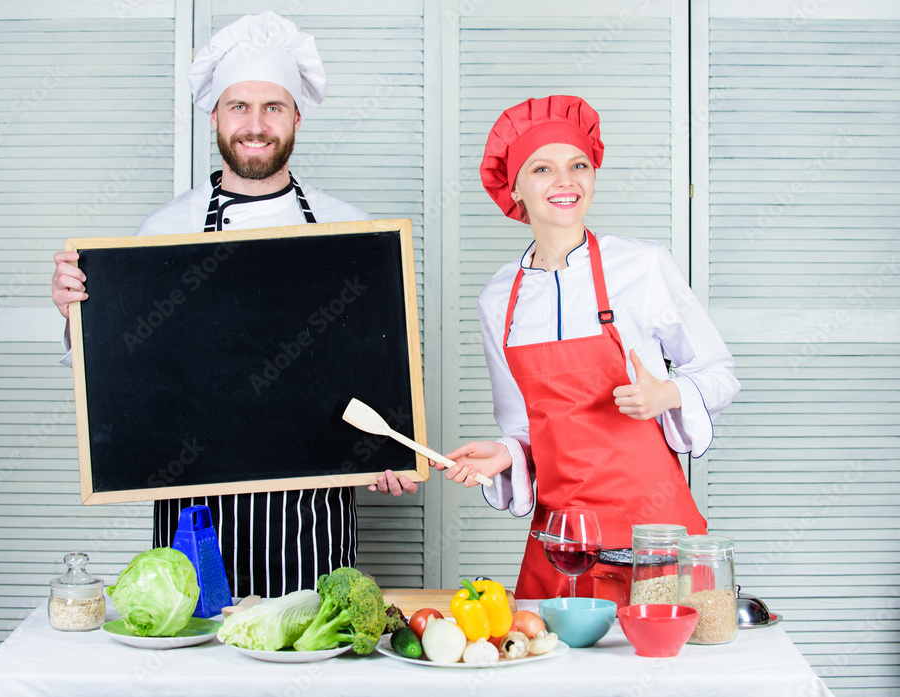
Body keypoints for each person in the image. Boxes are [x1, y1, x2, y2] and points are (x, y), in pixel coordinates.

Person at [50, 11, 412, 598]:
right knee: (192, 639)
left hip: (312, 512)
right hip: (192, 507)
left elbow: (381, 371)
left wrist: (390, 450)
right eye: (239, 106)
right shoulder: (162, 231)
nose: (256, 125)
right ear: (215, 115)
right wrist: (77, 315)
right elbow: (121, 374)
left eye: (273, 107)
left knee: (308, 642)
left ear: (297, 116)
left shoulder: (354, 231)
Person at [433, 95, 741, 599]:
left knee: (661, 648)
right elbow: (525, 427)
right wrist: (504, 453)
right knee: (548, 650)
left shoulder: (642, 266)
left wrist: (666, 394)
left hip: (652, 534)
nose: (566, 181)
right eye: (542, 168)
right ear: (514, 187)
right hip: (563, 540)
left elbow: (719, 372)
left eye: (578, 165)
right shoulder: (499, 299)